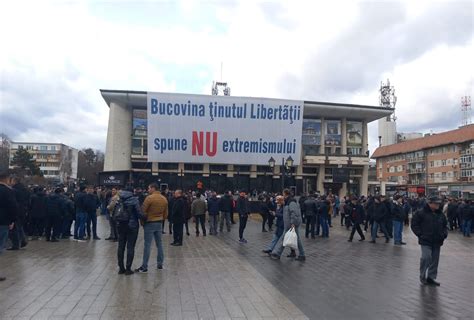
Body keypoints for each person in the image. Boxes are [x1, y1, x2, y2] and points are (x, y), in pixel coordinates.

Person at [411, 196, 448, 286]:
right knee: (426, 258)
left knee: (435, 260)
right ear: (429, 203)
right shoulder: (420, 213)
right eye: (436, 203)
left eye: (438, 203)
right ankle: (422, 276)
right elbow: (414, 225)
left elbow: (445, 225)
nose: (438, 205)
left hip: (437, 241)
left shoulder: (440, 214)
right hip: (425, 240)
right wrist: (420, 234)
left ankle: (431, 277)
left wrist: (444, 234)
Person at [135, 183, 168, 273]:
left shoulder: (149, 198)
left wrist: (142, 223)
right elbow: (166, 214)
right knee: (159, 244)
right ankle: (160, 264)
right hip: (159, 223)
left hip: (149, 223)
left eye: (149, 188)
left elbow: (143, 211)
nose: (148, 190)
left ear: (153, 188)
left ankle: (144, 266)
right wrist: (161, 219)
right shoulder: (164, 199)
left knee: (147, 245)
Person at [116, 187, 145, 275]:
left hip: (121, 224)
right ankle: (128, 269)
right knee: (130, 247)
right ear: (132, 192)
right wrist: (145, 217)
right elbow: (139, 213)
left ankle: (121, 268)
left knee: (121, 246)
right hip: (132, 226)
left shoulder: (119, 198)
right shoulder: (134, 200)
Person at [270, 189, 305, 261]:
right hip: (288, 224)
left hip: (291, 224)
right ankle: (301, 254)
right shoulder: (287, 202)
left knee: (285, 238)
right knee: (291, 239)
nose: (282, 195)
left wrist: (293, 223)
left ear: (285, 194)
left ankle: (277, 253)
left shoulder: (291, 202)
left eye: (283, 194)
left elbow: (294, 213)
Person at [0, 171, 18, 281]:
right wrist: (12, 221)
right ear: (6, 179)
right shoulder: (8, 191)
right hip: (3, 222)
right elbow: (13, 207)